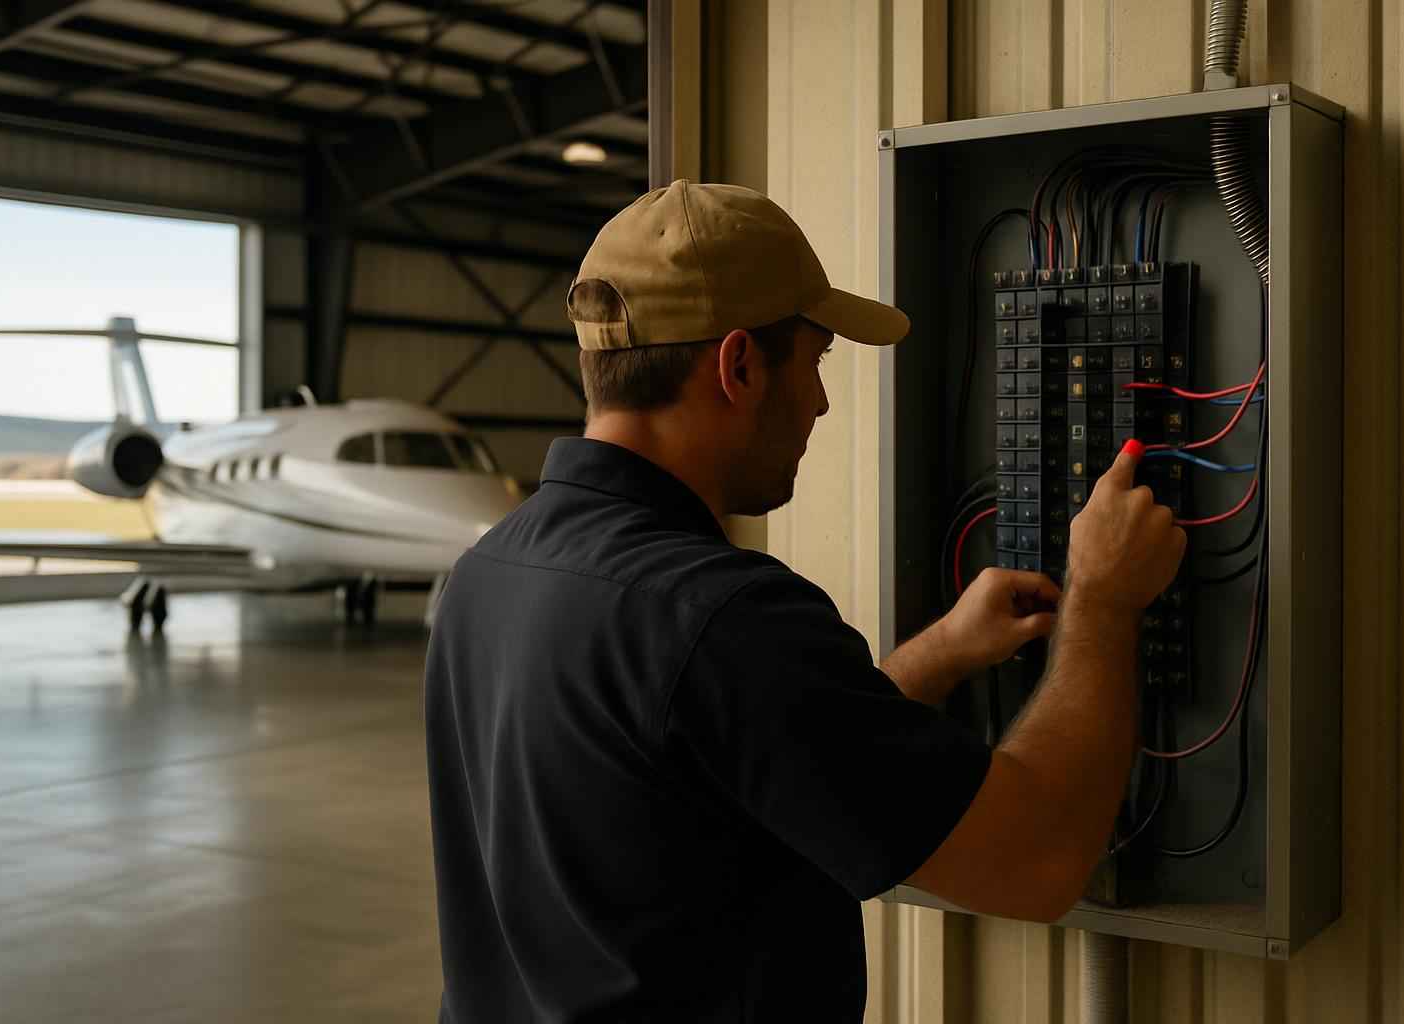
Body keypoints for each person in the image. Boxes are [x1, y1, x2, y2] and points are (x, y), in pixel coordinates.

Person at [423, 180, 1186, 1023]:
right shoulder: (722, 617)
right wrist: (1104, 601)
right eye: (816, 361)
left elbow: (723, 767)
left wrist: (937, 654)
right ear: (740, 365)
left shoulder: (486, 575)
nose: (820, 402)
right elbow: (1038, 863)